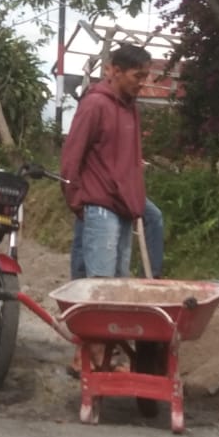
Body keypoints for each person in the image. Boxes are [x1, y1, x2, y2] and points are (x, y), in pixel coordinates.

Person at [60, 44, 151, 279]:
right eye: (137, 76)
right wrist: (77, 200)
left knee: (118, 284)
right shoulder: (95, 104)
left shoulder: (131, 110)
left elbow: (130, 162)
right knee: (101, 284)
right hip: (100, 207)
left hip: (124, 206)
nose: (142, 82)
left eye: (145, 76)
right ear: (117, 72)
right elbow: (72, 155)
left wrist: (135, 200)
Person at [70, 197, 165, 279]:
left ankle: (150, 279)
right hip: (97, 192)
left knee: (154, 216)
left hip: (124, 191)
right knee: (87, 219)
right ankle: (79, 280)